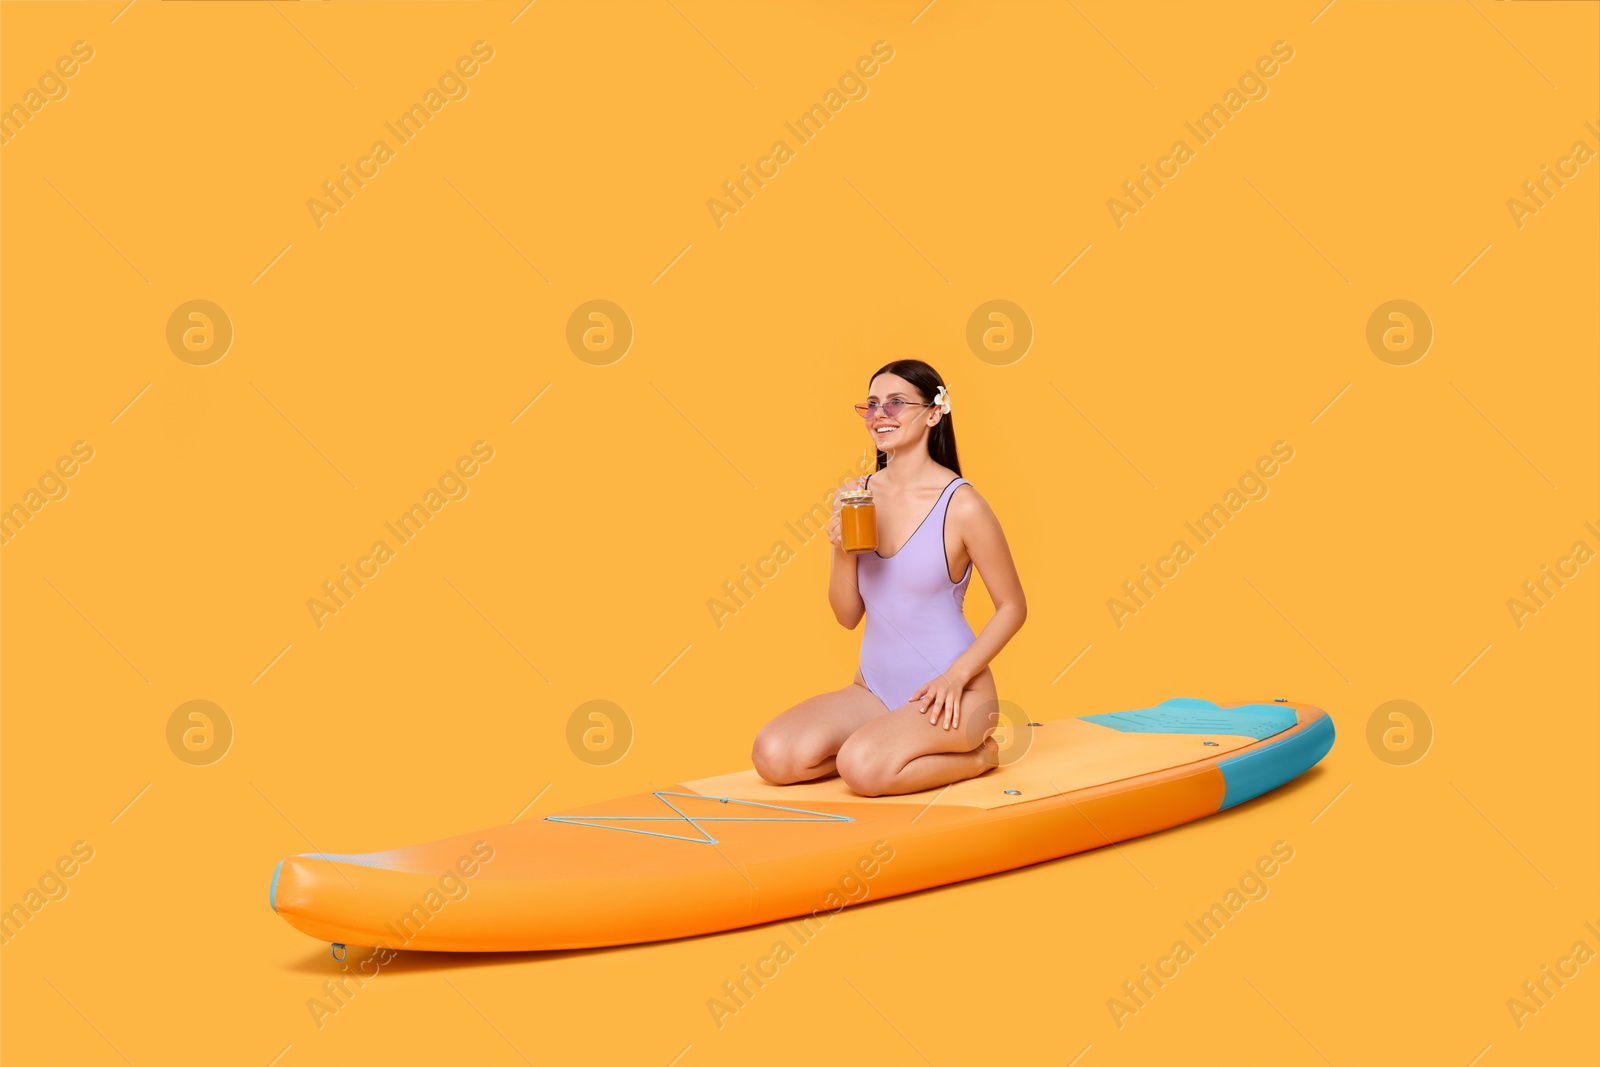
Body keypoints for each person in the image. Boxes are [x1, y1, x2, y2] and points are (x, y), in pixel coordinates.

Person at [750, 359, 1028, 797]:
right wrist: (840, 547)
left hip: (953, 694)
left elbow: (1013, 607)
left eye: (897, 403)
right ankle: (889, 742)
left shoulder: (963, 505)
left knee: (860, 768)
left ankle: (979, 755)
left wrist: (955, 678)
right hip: (875, 689)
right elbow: (846, 616)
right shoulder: (855, 496)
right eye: (873, 404)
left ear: (934, 413)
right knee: (773, 755)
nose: (881, 414)